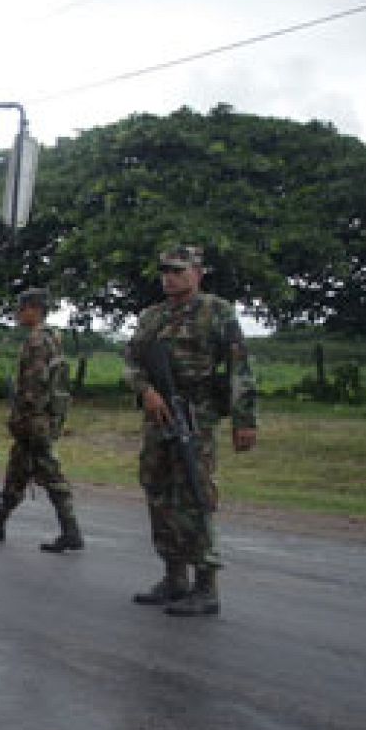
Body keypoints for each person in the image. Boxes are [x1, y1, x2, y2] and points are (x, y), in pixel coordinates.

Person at [123, 245, 258, 615]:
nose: (169, 278)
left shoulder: (217, 312)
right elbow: (132, 361)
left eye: (178, 271)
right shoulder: (152, 316)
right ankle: (174, 576)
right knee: (157, 491)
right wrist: (146, 391)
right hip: (159, 417)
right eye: (165, 271)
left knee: (195, 495)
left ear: (197, 273)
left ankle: (206, 584)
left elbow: (240, 368)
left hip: (197, 415)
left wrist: (244, 420)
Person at [0, 288, 83, 552]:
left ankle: (71, 532)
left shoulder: (37, 342)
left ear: (35, 309)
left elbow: (34, 387)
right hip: (41, 418)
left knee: (51, 475)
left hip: (34, 421)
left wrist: (21, 417)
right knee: (17, 472)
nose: (18, 313)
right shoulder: (52, 338)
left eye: (22, 308)